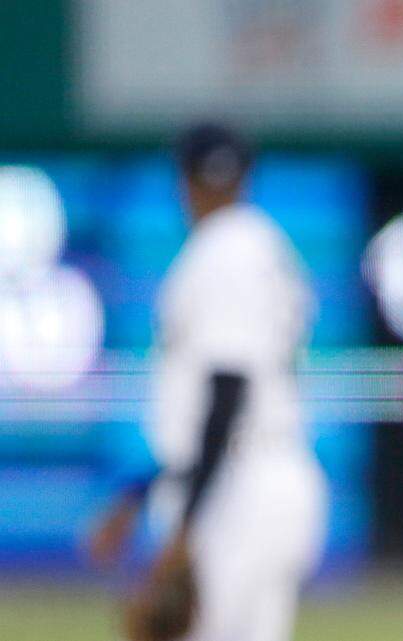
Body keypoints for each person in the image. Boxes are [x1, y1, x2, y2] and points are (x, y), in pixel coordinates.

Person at [89, 122, 327, 641]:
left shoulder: (224, 250)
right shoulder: (263, 244)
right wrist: (137, 495)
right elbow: (215, 408)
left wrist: (184, 528)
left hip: (237, 491)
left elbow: (227, 392)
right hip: (259, 474)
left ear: (183, 180)